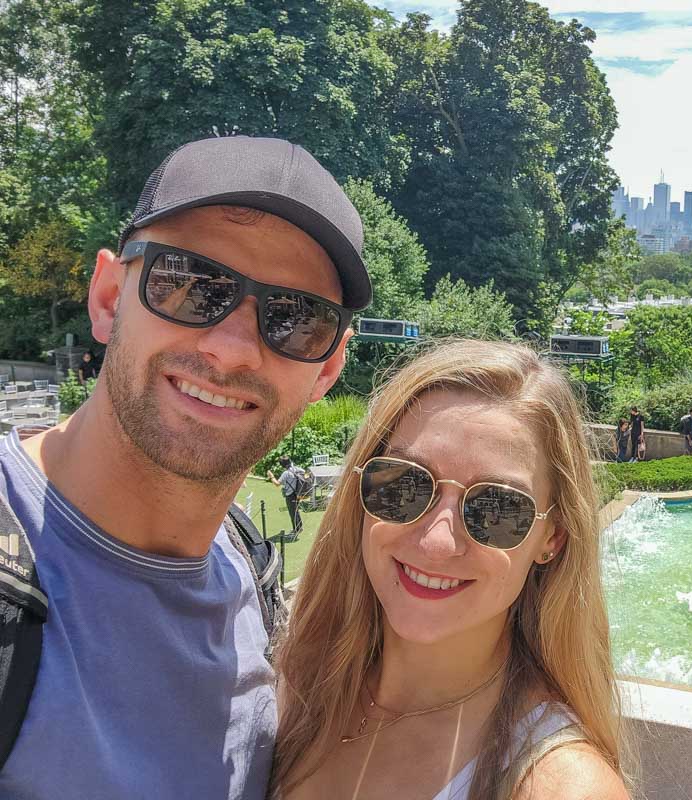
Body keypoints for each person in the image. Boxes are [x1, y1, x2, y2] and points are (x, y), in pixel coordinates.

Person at [0, 136, 368, 798]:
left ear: (328, 371)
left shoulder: (252, 581)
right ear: (110, 297)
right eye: (194, 284)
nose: (231, 351)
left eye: (295, 318)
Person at [272, 340, 628, 800]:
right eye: (403, 484)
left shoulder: (560, 787)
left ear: (552, 538)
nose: (436, 542)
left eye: (497, 508)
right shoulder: (293, 689)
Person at [268, 455, 305, 535]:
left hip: (290, 495)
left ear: (282, 465)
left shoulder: (286, 473)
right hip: (298, 493)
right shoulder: (297, 469)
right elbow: (304, 473)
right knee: (296, 511)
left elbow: (277, 484)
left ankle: (296, 530)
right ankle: (299, 527)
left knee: (292, 512)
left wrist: (271, 477)